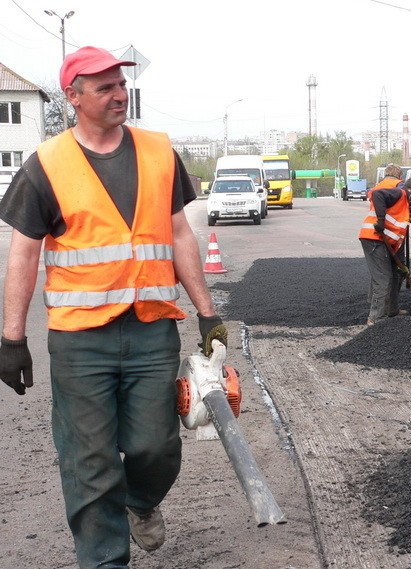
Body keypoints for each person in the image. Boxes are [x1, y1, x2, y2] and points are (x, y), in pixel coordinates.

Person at [0, 46, 227, 568]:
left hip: (151, 329)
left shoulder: (158, 152)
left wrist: (207, 312)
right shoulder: (46, 165)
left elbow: (179, 234)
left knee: (156, 447)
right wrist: (13, 338)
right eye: (104, 87)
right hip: (80, 340)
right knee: (91, 461)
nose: (119, 94)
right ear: (73, 97)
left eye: (121, 85)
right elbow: (23, 254)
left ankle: (140, 500)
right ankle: (104, 561)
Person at [358, 165, 411, 325]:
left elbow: (400, 222)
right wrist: (380, 221)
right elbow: (378, 195)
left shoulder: (396, 194)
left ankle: (392, 310)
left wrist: (401, 262)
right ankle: (376, 317)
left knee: (396, 273)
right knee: (383, 277)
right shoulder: (400, 191)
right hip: (374, 238)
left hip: (388, 240)